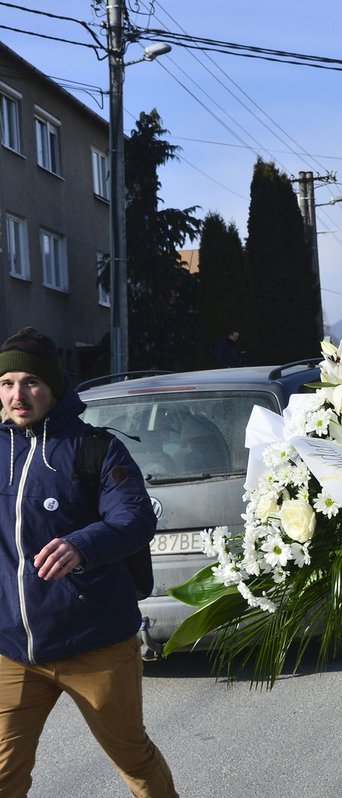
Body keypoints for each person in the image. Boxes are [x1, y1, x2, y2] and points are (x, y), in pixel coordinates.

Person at [0, 328, 177, 798]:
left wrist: (82, 544)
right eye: (7, 382)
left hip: (94, 641)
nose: (18, 395)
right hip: (15, 647)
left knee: (133, 758)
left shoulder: (95, 448)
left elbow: (135, 518)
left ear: (54, 387)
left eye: (31, 382)